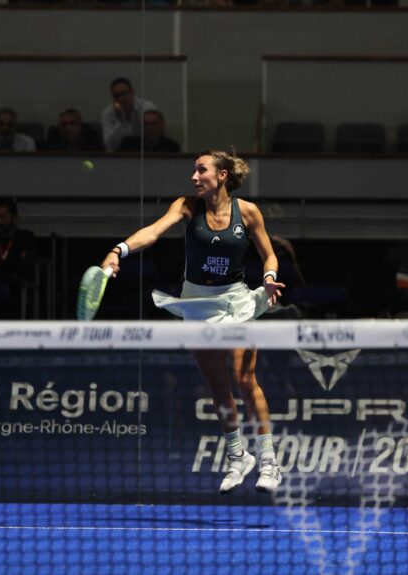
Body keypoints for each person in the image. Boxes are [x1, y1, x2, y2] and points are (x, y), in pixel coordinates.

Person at [97, 150, 285, 494]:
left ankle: (269, 461)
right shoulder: (187, 206)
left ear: (222, 175)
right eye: (194, 171)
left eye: (202, 170)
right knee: (217, 386)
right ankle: (238, 456)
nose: (194, 177)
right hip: (197, 303)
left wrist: (269, 278)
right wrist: (118, 250)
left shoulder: (248, 212)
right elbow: (153, 232)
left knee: (245, 380)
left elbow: (268, 254)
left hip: (236, 302)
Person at [100, 77, 157, 152]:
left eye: (124, 94)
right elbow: (109, 146)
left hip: (146, 152)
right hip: (120, 154)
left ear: (132, 93)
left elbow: (155, 136)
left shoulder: (147, 108)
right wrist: (120, 121)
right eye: (116, 96)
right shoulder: (108, 113)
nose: (121, 99)